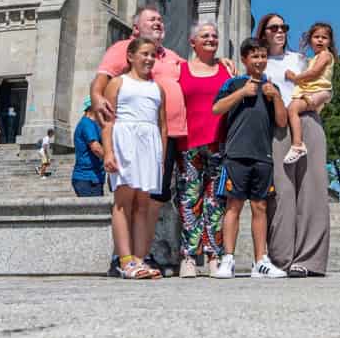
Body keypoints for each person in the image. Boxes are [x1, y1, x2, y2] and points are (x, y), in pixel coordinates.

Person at [258, 13, 331, 277]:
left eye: (284, 27)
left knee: (312, 191)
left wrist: (317, 101)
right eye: (273, 27)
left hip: (307, 120)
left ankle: (309, 260)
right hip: (277, 127)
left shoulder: (300, 59)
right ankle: (281, 258)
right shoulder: (260, 62)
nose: (280, 31)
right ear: (263, 32)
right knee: (282, 192)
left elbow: (325, 87)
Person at [211, 37, 288, 279]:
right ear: (244, 59)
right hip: (236, 153)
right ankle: (228, 259)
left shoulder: (271, 87)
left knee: (260, 207)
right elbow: (216, 108)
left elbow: (282, 121)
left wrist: (274, 97)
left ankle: (260, 261)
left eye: (263, 56)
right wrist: (243, 92)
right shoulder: (233, 83)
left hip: (262, 155)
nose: (259, 60)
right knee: (233, 206)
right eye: (254, 56)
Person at [101, 37, 168, 280]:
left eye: (153, 55)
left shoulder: (157, 88)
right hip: (125, 142)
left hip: (149, 145)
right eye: (145, 54)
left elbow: (162, 126)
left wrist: (160, 156)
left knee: (143, 204)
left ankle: (140, 258)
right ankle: (125, 260)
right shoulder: (118, 83)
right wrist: (108, 151)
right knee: (123, 201)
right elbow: (108, 122)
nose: (149, 59)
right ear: (130, 56)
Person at [174, 22, 232, 278]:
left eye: (214, 36)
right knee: (189, 201)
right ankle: (188, 257)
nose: (210, 39)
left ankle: (213, 256)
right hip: (189, 143)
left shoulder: (227, 69)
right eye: (204, 35)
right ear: (192, 42)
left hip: (220, 143)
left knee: (216, 202)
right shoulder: (181, 70)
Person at [282, 22, 336, 165]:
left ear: (329, 41)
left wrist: (294, 78)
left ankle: (298, 144)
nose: (320, 40)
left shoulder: (325, 55)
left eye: (324, 37)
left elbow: (314, 73)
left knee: (292, 109)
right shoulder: (313, 59)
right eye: (316, 36)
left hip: (318, 91)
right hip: (313, 92)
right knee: (295, 109)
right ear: (310, 39)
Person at [70, 98, 106, 197]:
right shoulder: (87, 124)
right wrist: (111, 160)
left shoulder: (92, 124)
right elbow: (96, 148)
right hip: (87, 178)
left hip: (92, 178)